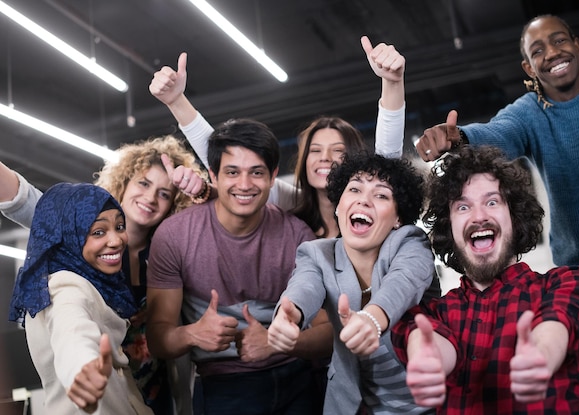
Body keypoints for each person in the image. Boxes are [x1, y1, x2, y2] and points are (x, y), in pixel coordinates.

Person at [413, 14, 579, 414]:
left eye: (560, 41)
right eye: (538, 51)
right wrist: (460, 137)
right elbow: (501, 133)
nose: (553, 54)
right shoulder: (530, 113)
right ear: (528, 68)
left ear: (578, 45)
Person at [391, 145, 579, 413]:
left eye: (492, 202)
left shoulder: (568, 284)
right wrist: (427, 360)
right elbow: (428, 342)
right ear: (449, 228)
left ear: (515, 218)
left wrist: (541, 354)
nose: (479, 216)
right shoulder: (432, 314)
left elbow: (557, 323)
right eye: (463, 206)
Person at [1, 136, 206, 415]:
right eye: (144, 183)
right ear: (124, 183)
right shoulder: (74, 239)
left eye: (164, 193)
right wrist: (82, 368)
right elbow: (72, 330)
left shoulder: (173, 252)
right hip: (100, 380)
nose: (150, 198)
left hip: (154, 384)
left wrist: (205, 191)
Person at [146, 118, 331, 414]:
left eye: (256, 173)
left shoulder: (297, 235)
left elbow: (327, 332)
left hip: (298, 380)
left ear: (272, 177)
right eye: (232, 172)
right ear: (213, 176)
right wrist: (192, 334)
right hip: (223, 385)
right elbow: (157, 337)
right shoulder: (174, 236)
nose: (244, 185)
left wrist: (279, 343)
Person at [149, 35, 407, 237]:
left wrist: (392, 82)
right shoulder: (290, 201)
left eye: (338, 151)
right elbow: (228, 157)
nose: (325, 158)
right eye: (315, 151)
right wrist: (176, 102)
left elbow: (388, 161)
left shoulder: (369, 209)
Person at [267, 152, 438, 414]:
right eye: (355, 189)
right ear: (338, 205)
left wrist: (372, 318)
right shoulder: (316, 254)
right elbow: (304, 286)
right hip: (359, 406)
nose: (364, 200)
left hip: (434, 402)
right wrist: (288, 316)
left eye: (381, 195)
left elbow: (404, 281)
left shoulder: (411, 242)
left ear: (398, 219)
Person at [8, 182, 152, 414]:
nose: (116, 240)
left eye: (119, 226)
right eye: (98, 232)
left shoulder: (85, 283)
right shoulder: (66, 286)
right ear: (68, 235)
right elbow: (73, 334)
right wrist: (82, 368)